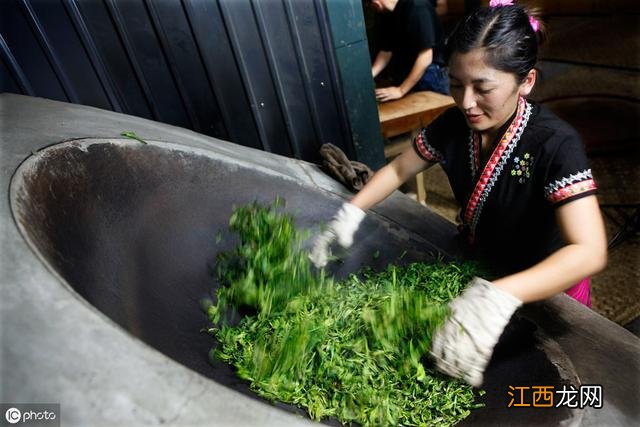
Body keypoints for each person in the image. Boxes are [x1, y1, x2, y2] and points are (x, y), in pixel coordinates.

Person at [311, 0, 607, 387]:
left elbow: (588, 251)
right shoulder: (454, 126)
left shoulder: (555, 145)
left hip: (548, 291)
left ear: (527, 82)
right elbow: (400, 168)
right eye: (455, 83)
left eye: (483, 88)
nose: (466, 102)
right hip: (486, 270)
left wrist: (500, 296)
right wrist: (350, 211)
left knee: (550, 391)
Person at [368, 0, 450, 101]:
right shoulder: (386, 14)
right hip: (408, 74)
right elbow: (386, 51)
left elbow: (426, 57)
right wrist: (370, 75)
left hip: (432, 74)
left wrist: (401, 90)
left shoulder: (418, 7)